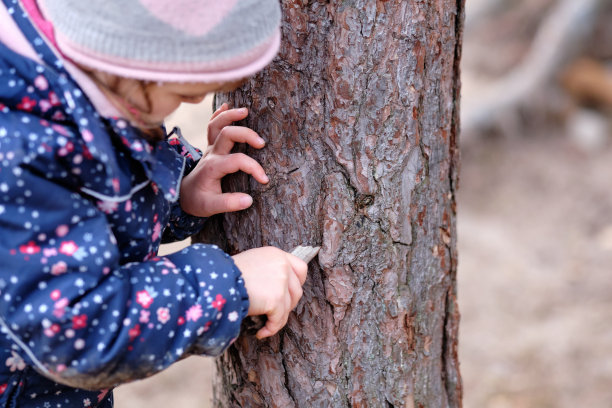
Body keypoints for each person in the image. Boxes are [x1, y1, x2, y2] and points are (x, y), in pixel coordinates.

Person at [0, 0, 308, 406]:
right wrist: (226, 285)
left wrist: (178, 198)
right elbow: (75, 330)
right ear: (125, 55)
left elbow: (78, 225)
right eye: (182, 91)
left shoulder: (76, 85)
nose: (197, 104)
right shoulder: (19, 147)